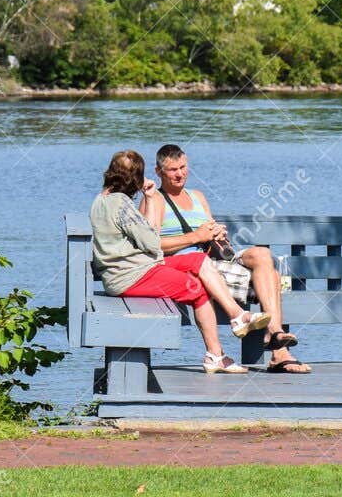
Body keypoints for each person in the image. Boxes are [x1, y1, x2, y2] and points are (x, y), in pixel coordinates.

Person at [89, 150, 269, 374]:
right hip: (130, 276)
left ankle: (237, 316)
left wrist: (150, 197)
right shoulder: (121, 204)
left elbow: (147, 238)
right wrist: (153, 199)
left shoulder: (101, 199)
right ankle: (216, 355)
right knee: (197, 290)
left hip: (134, 269)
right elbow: (152, 242)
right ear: (134, 178)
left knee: (197, 259)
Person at [140, 144, 310, 374]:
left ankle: (275, 333)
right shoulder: (154, 199)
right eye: (172, 170)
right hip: (188, 267)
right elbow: (150, 244)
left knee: (261, 255)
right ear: (159, 172)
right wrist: (195, 237)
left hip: (213, 259)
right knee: (274, 277)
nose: (180, 174)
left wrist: (218, 235)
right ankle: (279, 352)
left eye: (183, 167)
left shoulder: (198, 196)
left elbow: (209, 233)